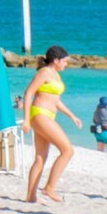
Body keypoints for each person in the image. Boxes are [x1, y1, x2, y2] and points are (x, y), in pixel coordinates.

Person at [21, 46, 81, 204]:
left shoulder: (55, 75)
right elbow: (28, 93)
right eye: (65, 61)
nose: (66, 64)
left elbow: (56, 101)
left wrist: (72, 116)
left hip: (48, 115)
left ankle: (31, 196)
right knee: (67, 150)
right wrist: (26, 119)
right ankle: (49, 188)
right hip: (39, 114)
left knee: (40, 158)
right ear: (56, 60)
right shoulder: (44, 73)